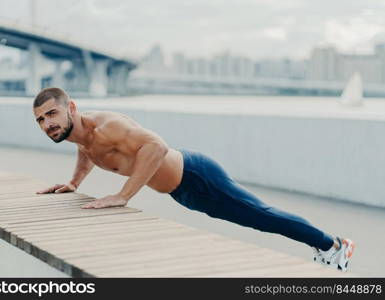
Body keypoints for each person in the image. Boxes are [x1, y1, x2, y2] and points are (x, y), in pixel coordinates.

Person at [33, 87, 355, 272]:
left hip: (197, 175)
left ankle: (334, 245)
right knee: (255, 219)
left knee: (261, 216)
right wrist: (75, 183)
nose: (47, 124)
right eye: (41, 120)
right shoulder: (83, 137)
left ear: (71, 108)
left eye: (52, 114)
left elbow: (156, 146)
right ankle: (326, 244)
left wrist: (123, 195)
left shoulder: (108, 126)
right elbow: (87, 151)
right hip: (184, 191)